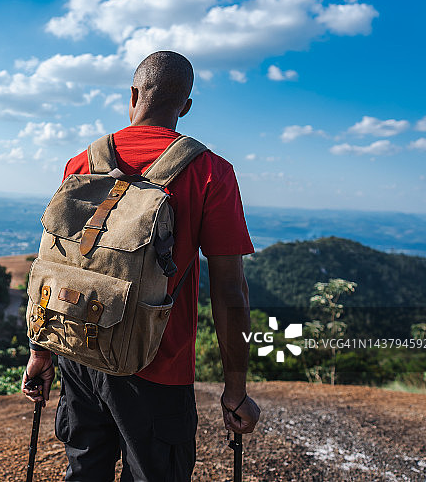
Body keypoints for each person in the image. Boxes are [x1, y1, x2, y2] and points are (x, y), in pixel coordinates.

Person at [22, 50, 260, 481]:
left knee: (84, 470)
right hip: (157, 366)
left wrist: (42, 351)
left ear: (132, 95)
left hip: (80, 350)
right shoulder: (210, 172)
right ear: (185, 107)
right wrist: (236, 391)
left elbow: (59, 262)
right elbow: (230, 293)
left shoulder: (83, 163)